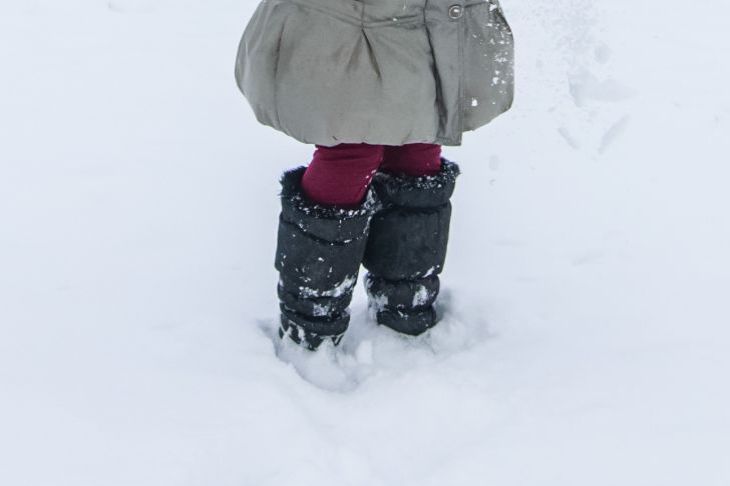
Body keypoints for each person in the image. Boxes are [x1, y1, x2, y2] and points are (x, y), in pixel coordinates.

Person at [235, 0, 514, 350]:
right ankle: (312, 323)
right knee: (351, 147)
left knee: (417, 143)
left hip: (421, 23)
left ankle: (405, 307)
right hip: (345, 25)